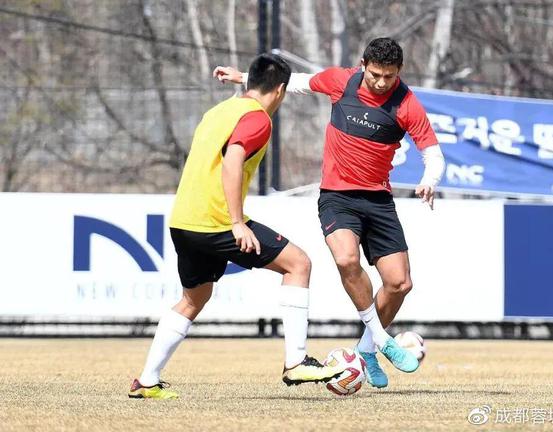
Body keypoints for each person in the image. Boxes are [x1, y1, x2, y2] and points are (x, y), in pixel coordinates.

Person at [215, 38, 445, 389]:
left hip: (379, 201)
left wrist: (429, 180)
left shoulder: (406, 103)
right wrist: (244, 77)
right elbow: (297, 83)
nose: (381, 82)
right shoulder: (342, 81)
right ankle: (382, 339)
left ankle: (366, 348)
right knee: (346, 259)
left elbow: (433, 154)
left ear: (399, 71)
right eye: (376, 74)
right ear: (363, 65)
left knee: (400, 283)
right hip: (337, 196)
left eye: (389, 76)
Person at [129, 53, 344, 400]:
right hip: (216, 222)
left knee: (193, 299)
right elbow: (232, 162)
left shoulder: (220, 111)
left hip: (184, 220)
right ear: (280, 90)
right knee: (298, 264)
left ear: (250, 81)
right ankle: (296, 362)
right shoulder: (258, 118)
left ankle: (147, 381)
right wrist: (237, 223)